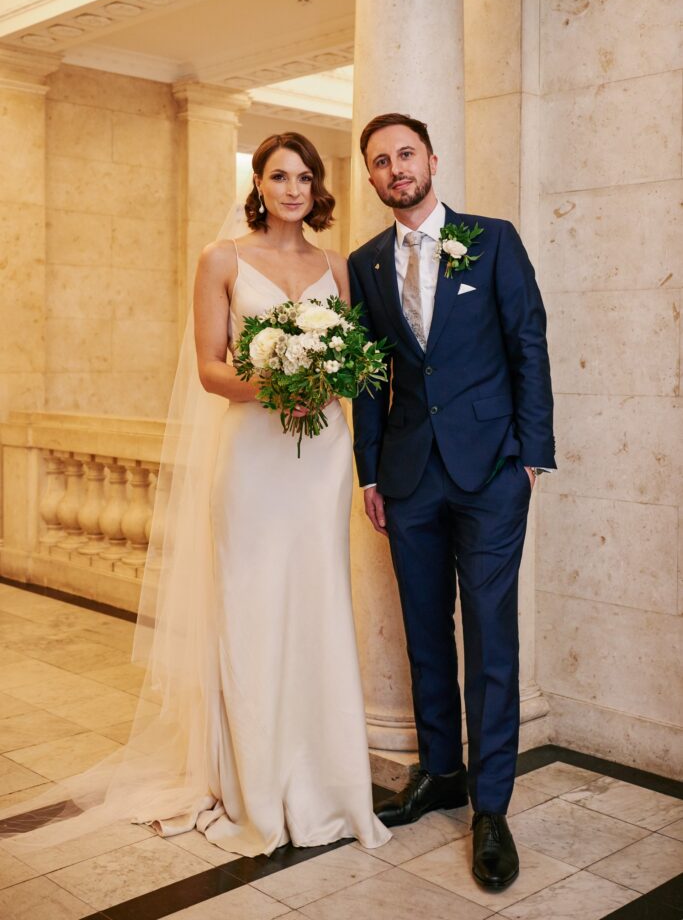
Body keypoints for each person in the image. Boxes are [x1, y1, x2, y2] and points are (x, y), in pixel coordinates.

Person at [1, 132, 388, 859]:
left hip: (319, 459)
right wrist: (280, 384)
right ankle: (249, 782)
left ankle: (324, 781)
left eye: (305, 177)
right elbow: (212, 370)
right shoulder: (222, 260)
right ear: (260, 184)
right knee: (249, 604)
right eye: (280, 175)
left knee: (316, 601)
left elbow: (358, 367)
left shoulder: (338, 267)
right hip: (252, 453)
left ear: (318, 188)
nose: (293, 188)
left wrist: (325, 382)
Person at [349, 112, 555, 889]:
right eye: (381, 161)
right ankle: (441, 772)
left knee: (489, 636)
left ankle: (491, 806)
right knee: (424, 631)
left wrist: (530, 456)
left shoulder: (492, 238)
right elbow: (370, 375)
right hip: (407, 478)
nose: (396, 169)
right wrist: (369, 474)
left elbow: (526, 342)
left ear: (431, 160)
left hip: (492, 472)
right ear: (370, 178)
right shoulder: (365, 263)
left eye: (406, 154)